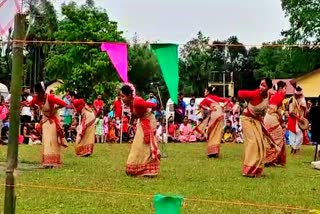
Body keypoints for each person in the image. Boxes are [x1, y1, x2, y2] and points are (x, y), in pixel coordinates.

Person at [120, 83, 160, 177]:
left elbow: (153, 105)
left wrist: (152, 111)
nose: (122, 99)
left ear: (129, 95)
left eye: (123, 96)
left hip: (149, 121)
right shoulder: (130, 103)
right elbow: (134, 114)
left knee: (145, 145)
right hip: (142, 122)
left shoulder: (137, 101)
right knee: (138, 145)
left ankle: (148, 170)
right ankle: (137, 168)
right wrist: (130, 123)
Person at [238, 78, 273, 177]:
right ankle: (248, 170)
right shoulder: (255, 93)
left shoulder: (269, 96)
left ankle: (256, 169)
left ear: (268, 88)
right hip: (247, 119)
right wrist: (244, 101)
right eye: (260, 84)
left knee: (260, 143)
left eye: (264, 85)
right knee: (252, 142)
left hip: (256, 120)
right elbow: (240, 93)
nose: (261, 87)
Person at [29, 81, 68, 168]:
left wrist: (56, 108)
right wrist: (37, 108)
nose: (37, 94)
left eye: (38, 92)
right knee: (46, 141)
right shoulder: (36, 99)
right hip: (45, 121)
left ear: (42, 91)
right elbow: (30, 104)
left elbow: (63, 104)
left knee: (53, 141)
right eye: (36, 92)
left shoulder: (50, 98)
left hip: (53, 121)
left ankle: (54, 161)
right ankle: (47, 161)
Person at [199, 86, 230, 158]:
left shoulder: (207, 98)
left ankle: (212, 152)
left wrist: (209, 108)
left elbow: (200, 104)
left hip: (214, 114)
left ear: (208, 92)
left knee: (211, 132)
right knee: (217, 133)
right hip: (220, 114)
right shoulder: (217, 97)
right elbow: (227, 100)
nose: (204, 92)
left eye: (205, 91)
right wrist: (221, 106)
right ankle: (215, 152)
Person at [264, 80, 287, 167]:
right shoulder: (280, 95)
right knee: (278, 138)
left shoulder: (275, 96)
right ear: (280, 88)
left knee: (271, 139)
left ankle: (271, 159)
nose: (285, 90)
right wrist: (283, 113)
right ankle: (269, 159)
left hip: (269, 118)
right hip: (272, 118)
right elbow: (276, 109)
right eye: (285, 88)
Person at [287, 86, 307, 154]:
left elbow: (304, 109)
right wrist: (297, 116)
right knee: (292, 135)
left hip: (298, 120)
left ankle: (295, 148)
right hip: (293, 119)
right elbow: (290, 111)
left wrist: (302, 116)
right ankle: (294, 148)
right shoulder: (292, 100)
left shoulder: (301, 99)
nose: (300, 96)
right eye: (299, 95)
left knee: (300, 135)